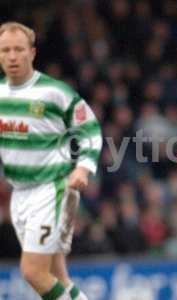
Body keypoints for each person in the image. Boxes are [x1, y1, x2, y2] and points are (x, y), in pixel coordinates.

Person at [0, 22, 102, 300]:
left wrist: (83, 167)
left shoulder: (54, 92)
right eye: (5, 50)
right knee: (57, 277)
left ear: (32, 53)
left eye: (18, 49)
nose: (12, 56)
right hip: (20, 194)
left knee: (33, 272)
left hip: (53, 189)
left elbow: (90, 129)